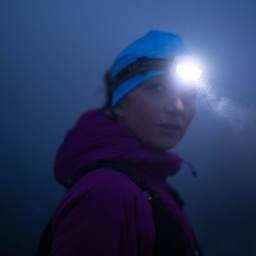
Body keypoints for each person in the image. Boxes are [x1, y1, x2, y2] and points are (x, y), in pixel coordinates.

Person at [43, 30, 204, 255]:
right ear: (119, 102)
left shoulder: (150, 185)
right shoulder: (107, 194)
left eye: (188, 94)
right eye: (156, 88)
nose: (177, 106)